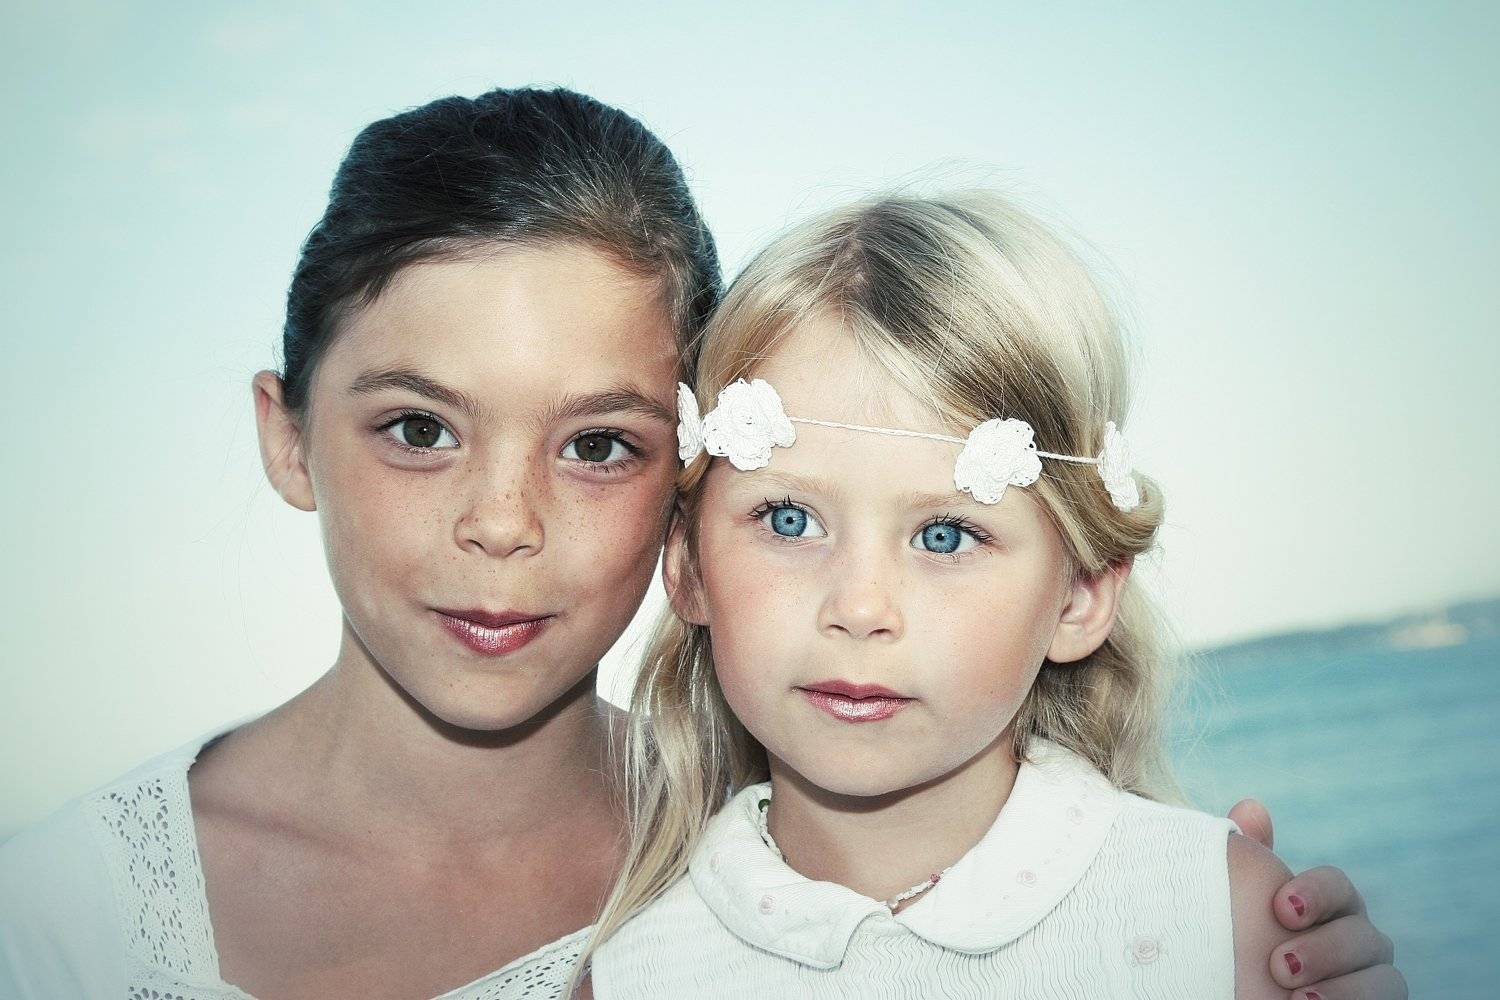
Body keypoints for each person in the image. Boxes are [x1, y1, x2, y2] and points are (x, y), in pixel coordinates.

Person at [0, 90, 1398, 999]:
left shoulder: (800, 839)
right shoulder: (58, 924)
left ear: (683, 501)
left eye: (599, 444)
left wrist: (1210, 925)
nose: (502, 522)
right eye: (419, 428)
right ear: (289, 436)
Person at [587, 192, 1405, 998]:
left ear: (1080, 595)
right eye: (790, 520)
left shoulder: (1220, 927)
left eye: (945, 536)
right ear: (688, 565)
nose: (861, 608)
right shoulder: (635, 976)